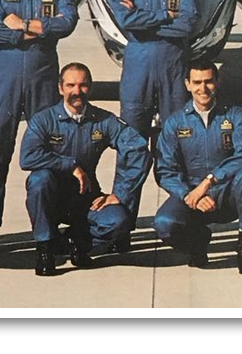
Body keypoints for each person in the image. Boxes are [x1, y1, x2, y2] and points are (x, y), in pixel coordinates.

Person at [0, 0, 78, 230]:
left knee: (51, 150)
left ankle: (49, 225)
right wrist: (40, 31)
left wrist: (21, 24)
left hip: (42, 79)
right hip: (5, 80)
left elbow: (66, 23)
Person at [19, 63, 152, 276]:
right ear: (60, 88)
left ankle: (77, 241)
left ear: (90, 87)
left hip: (85, 196)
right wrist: (71, 165)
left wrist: (120, 193)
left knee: (118, 222)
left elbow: (138, 150)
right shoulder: (44, 120)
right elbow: (28, 157)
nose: (77, 91)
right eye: (70, 85)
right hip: (51, 198)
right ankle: (45, 248)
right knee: (39, 180)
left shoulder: (103, 120)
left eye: (82, 85)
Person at [154, 59, 242, 274]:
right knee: (164, 223)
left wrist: (210, 180)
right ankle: (197, 242)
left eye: (208, 81)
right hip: (192, 195)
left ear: (217, 82)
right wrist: (189, 194)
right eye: (197, 82)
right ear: (187, 84)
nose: (203, 89)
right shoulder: (175, 122)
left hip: (227, 193)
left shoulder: (234, 115)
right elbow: (165, 171)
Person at [110, 0, 199, 137]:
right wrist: (166, 15)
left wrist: (141, 23)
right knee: (132, 133)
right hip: (138, 65)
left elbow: (187, 24)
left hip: (173, 64)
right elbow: (125, 20)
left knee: (176, 132)